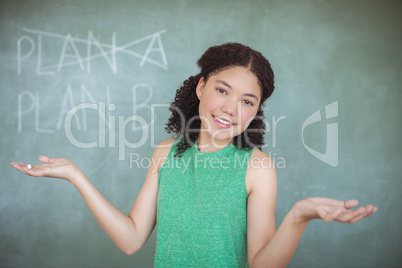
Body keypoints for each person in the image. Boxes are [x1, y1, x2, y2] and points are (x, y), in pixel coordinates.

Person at [11, 43, 377, 267]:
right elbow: (131, 239)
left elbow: (261, 264)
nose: (231, 109)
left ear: (256, 111)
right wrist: (77, 175)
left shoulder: (257, 168)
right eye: (222, 90)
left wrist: (299, 216)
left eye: (247, 101)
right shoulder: (165, 152)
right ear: (201, 87)